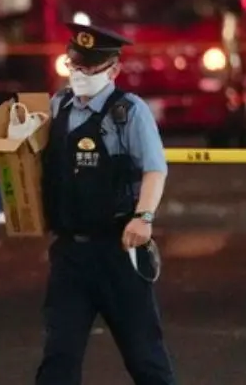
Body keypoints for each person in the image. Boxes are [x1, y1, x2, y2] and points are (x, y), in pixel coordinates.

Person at [36, 22, 176, 385]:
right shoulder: (59, 106)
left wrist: (143, 217)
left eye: (89, 67)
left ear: (112, 70)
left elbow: (154, 170)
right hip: (70, 255)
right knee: (58, 359)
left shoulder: (129, 112)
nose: (80, 74)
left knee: (146, 358)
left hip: (119, 252)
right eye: (74, 64)